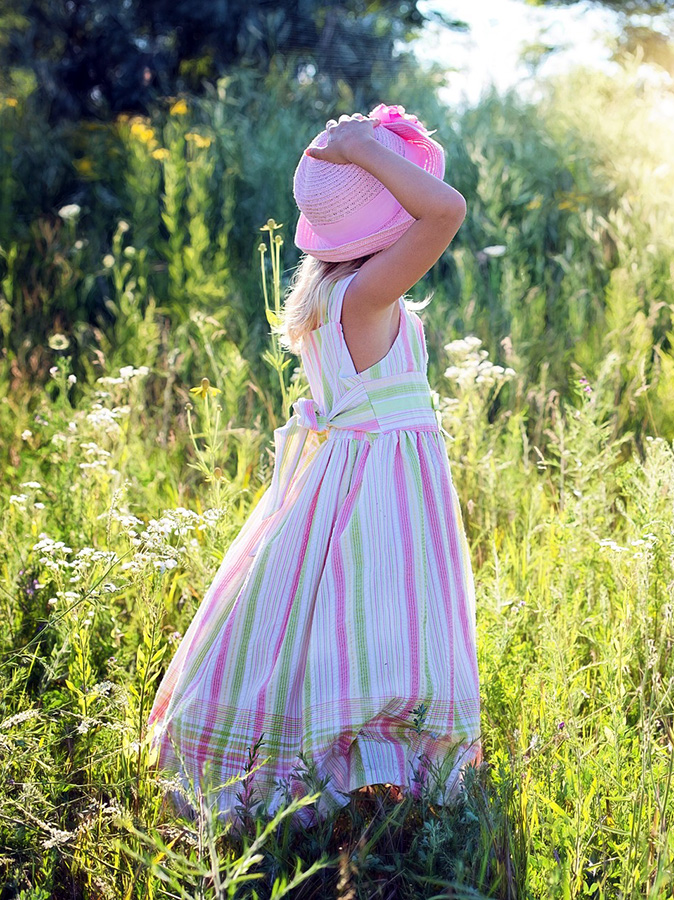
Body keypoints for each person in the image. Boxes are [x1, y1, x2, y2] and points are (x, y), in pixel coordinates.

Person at [144, 105, 481, 826]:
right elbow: (447, 211)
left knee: (321, 620)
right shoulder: (367, 296)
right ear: (389, 216)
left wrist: (362, 152)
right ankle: (371, 768)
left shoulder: (330, 294)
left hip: (346, 476)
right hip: (383, 486)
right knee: (382, 622)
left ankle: (353, 767)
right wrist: (362, 145)